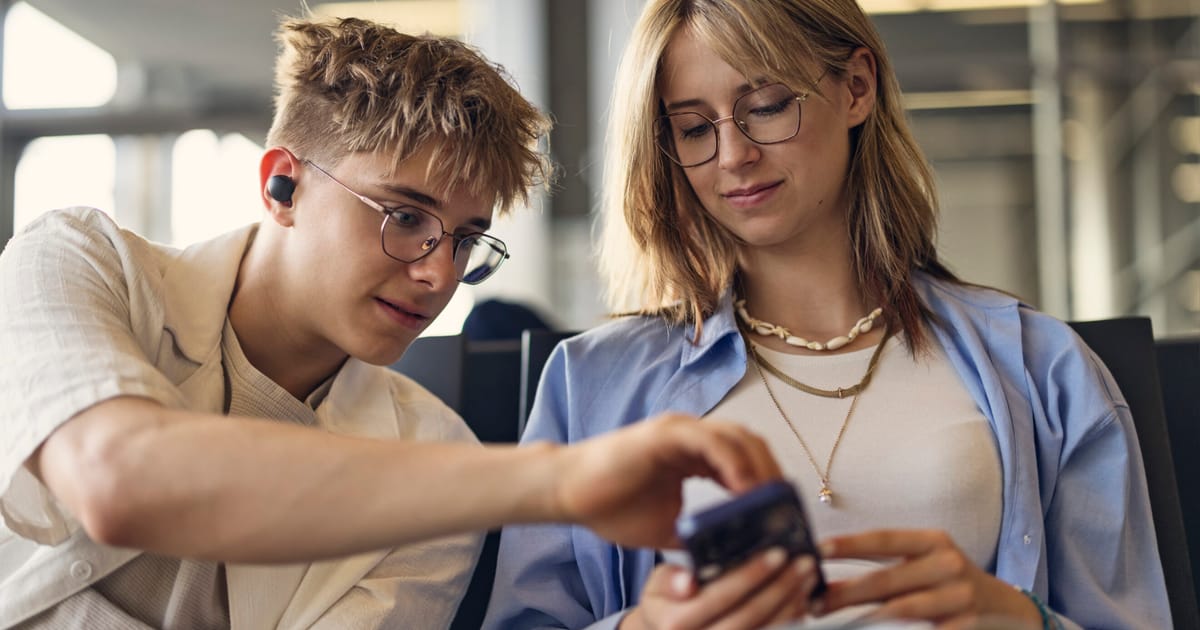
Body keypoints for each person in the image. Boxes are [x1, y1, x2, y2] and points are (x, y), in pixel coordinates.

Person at [0, 16, 785, 629]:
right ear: (282, 186)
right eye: (405, 215)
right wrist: (562, 480)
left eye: (468, 238)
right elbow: (117, 479)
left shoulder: (437, 454)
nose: (439, 273)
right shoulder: (79, 263)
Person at [483, 0, 1171, 629]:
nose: (734, 156)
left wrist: (1021, 621)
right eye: (693, 129)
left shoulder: (1040, 366)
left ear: (856, 88)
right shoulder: (592, 381)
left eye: (768, 105)